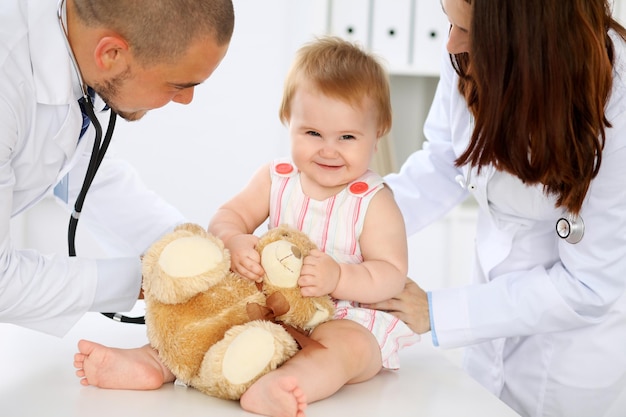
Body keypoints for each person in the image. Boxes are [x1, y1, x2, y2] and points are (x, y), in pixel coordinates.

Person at [73, 36, 420, 417]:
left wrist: (339, 278)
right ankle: (153, 362)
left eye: (347, 137)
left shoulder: (373, 200)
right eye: (312, 133)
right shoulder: (277, 178)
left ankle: (290, 383)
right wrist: (235, 240)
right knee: (208, 316)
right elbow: (228, 216)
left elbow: (390, 274)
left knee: (351, 350)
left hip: (341, 314)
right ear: (289, 119)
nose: (328, 149)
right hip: (265, 303)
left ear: (379, 130)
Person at [364, 1, 626, 417]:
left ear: (526, 38)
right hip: (487, 340)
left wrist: (436, 312)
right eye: (449, 23)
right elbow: (442, 162)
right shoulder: (465, 52)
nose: (450, 42)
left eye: (467, 30)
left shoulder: (616, 98)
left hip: (566, 363)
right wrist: (352, 218)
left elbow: (588, 285)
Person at [0, 0, 234, 335]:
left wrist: (198, 255)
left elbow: (82, 175)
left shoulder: (73, 46)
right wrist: (152, 277)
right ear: (110, 54)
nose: (186, 100)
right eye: (179, 85)